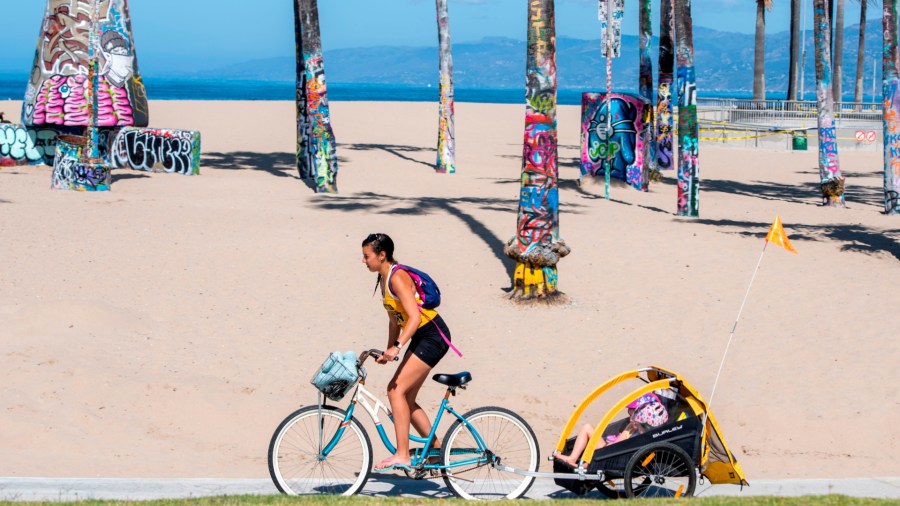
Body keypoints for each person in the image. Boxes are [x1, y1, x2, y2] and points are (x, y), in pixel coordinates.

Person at [361, 233, 452, 472]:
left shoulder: (397, 277)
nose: (363, 260)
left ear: (382, 255)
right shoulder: (383, 280)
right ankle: (437, 451)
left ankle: (403, 454)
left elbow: (414, 317)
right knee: (406, 399)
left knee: (395, 390)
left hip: (432, 336)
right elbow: (394, 321)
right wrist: (388, 349)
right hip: (420, 337)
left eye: (367, 256)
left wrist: (398, 347)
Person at [553, 393, 669, 467]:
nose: (630, 417)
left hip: (616, 458)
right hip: (613, 452)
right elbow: (616, 445)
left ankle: (576, 461)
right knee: (587, 428)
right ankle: (574, 459)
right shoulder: (631, 428)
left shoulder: (645, 437)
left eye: (633, 414)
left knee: (588, 428)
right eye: (630, 413)